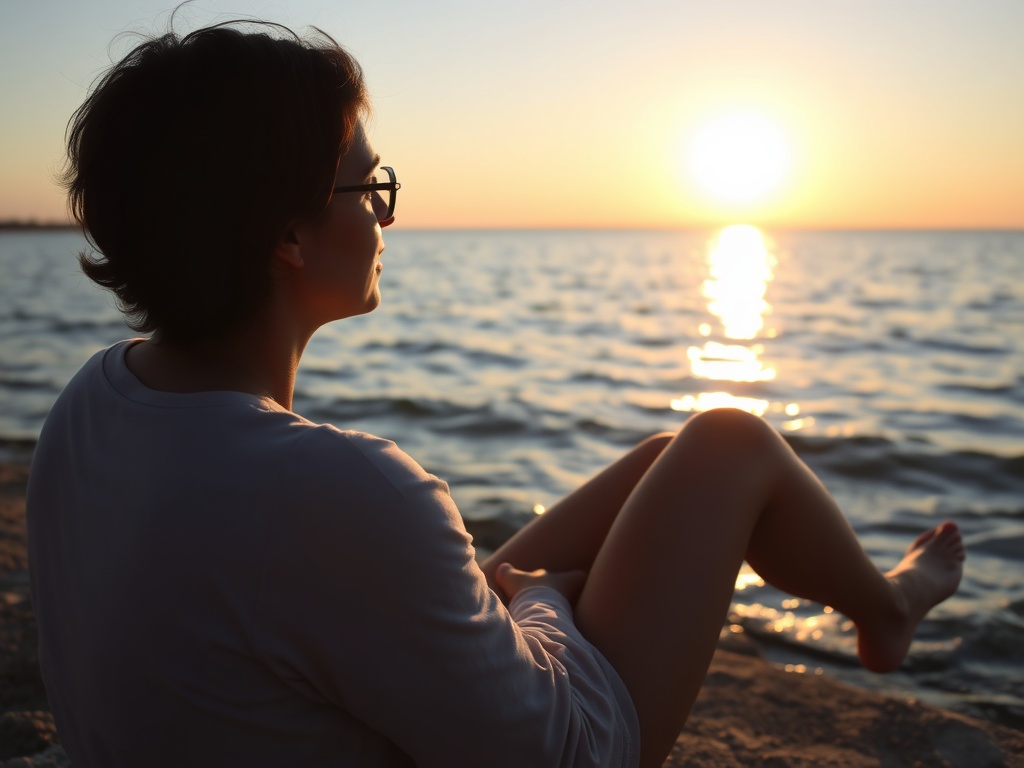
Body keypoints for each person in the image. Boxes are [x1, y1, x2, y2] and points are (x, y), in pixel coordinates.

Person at [26, 19, 965, 768]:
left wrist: (525, 598)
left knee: (660, 469)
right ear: (291, 238)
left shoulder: (91, 405)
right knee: (726, 442)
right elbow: (570, 753)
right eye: (370, 189)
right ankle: (881, 614)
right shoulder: (345, 490)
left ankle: (876, 603)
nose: (388, 216)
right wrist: (541, 607)